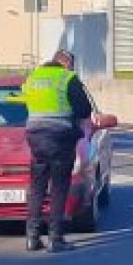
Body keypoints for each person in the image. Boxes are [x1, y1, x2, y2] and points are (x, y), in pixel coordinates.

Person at [20, 48, 95, 253]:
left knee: (37, 187)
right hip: (60, 136)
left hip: (35, 136)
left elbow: (26, 101)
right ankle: (56, 238)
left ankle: (32, 237)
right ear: (68, 63)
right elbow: (84, 109)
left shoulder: (34, 77)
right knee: (59, 187)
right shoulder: (67, 77)